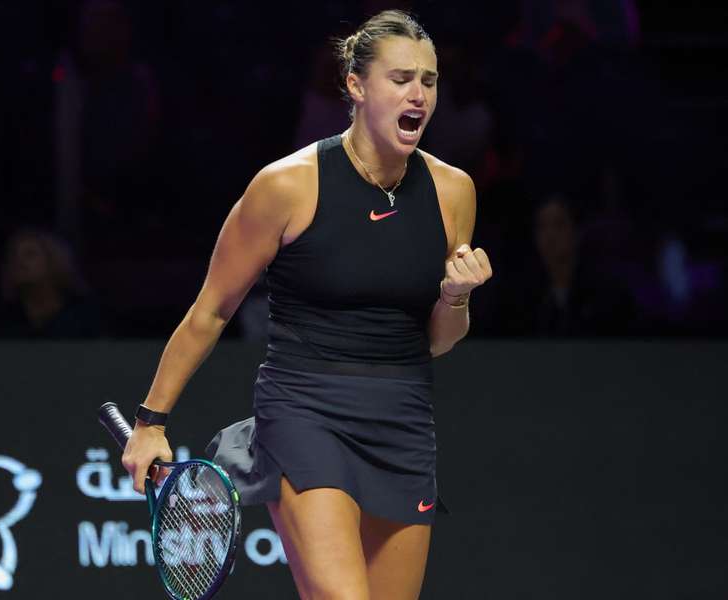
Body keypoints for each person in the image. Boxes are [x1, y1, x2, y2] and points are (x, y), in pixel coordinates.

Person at [121, 10, 492, 599]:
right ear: (356, 85)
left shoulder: (454, 191)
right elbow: (211, 310)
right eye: (400, 79)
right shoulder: (286, 186)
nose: (418, 94)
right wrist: (150, 423)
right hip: (305, 413)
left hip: (403, 421)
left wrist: (455, 296)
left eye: (429, 80)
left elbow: (439, 340)